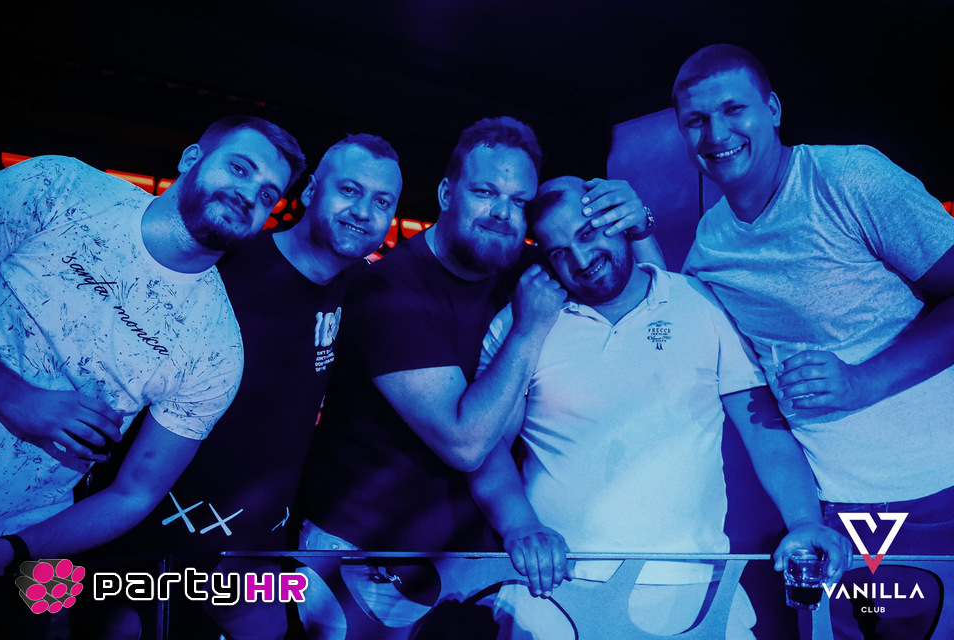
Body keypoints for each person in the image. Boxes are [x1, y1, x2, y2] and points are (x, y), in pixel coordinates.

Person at [293, 116, 661, 638]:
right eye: (485, 192)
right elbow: (464, 443)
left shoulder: (529, 268)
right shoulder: (390, 290)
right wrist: (528, 330)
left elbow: (651, 306)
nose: (502, 213)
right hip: (364, 554)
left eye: (518, 201)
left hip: (471, 556)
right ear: (447, 194)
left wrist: (638, 226)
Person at [468, 175, 849, 639]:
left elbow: (763, 430)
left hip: (695, 581)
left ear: (617, 222)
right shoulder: (520, 322)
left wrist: (805, 520)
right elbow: (487, 448)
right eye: (560, 253)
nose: (582, 261)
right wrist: (520, 526)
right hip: (555, 587)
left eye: (588, 234)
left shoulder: (699, 303)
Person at [674, 44, 954, 639]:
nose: (716, 133)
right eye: (696, 120)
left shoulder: (848, 177)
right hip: (833, 517)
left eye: (733, 109)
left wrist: (861, 381)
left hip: (941, 492)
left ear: (773, 108)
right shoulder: (707, 250)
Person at [111, 133, 403, 639]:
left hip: (255, 549)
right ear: (309, 191)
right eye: (349, 190)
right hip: (144, 528)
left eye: (382, 202)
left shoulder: (362, 285)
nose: (363, 212)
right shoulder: (227, 261)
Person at [0, 115, 305, 578]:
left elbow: (134, 494)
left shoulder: (216, 349)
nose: (248, 194)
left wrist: (14, 551)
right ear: (191, 158)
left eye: (267, 195)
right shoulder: (59, 187)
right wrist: (14, 395)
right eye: (239, 168)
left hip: (16, 531)